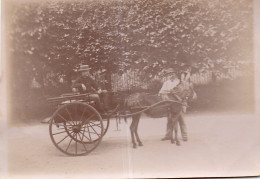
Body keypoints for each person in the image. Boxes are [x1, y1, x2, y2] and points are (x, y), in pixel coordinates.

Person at [159, 68, 188, 141]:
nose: (170, 75)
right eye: (169, 74)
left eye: (172, 74)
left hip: (179, 103)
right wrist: (168, 91)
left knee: (181, 120)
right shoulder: (166, 83)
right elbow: (160, 92)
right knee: (169, 120)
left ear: (175, 74)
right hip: (169, 104)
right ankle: (168, 135)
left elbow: (185, 92)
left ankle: (185, 136)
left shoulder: (180, 82)